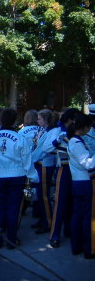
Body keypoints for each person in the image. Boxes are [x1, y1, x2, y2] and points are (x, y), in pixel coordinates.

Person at [0, 108, 39, 249]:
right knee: (13, 208)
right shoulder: (20, 138)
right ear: (15, 121)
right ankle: (11, 240)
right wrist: (33, 177)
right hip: (17, 177)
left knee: (0, 207)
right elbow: (27, 161)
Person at [44, 108, 80, 248]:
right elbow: (46, 149)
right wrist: (57, 142)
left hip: (77, 170)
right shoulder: (57, 131)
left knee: (73, 202)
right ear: (69, 119)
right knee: (60, 203)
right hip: (63, 168)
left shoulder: (79, 130)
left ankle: (70, 230)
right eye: (74, 119)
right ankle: (54, 235)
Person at [66, 113, 95, 259]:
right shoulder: (76, 143)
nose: (89, 130)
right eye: (88, 127)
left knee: (78, 214)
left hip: (79, 182)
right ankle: (87, 248)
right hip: (83, 182)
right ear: (83, 127)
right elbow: (89, 164)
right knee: (85, 217)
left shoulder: (76, 141)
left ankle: (77, 246)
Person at [30, 109, 56, 234]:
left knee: (44, 194)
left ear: (46, 119)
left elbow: (47, 148)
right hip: (39, 164)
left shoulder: (53, 131)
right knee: (40, 194)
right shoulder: (43, 130)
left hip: (46, 164)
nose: (37, 120)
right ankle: (42, 218)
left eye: (40, 118)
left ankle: (48, 222)